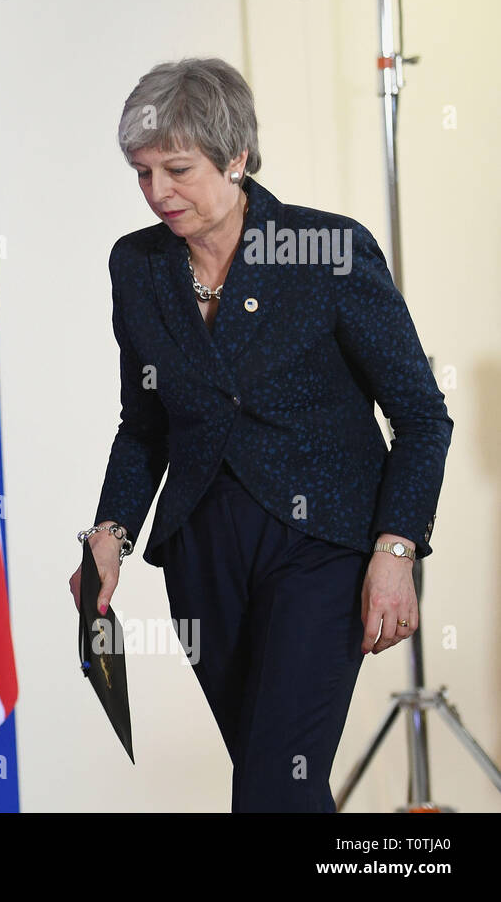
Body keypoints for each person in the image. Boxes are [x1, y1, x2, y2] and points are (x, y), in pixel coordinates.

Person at [68, 57, 452, 812]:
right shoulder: (137, 267)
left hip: (325, 547)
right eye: (142, 172)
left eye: (177, 169)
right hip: (203, 553)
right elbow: (144, 421)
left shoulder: (327, 250)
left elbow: (421, 416)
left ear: (236, 157)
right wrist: (110, 532)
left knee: (273, 787)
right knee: (278, 780)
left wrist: (396, 549)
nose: (157, 193)